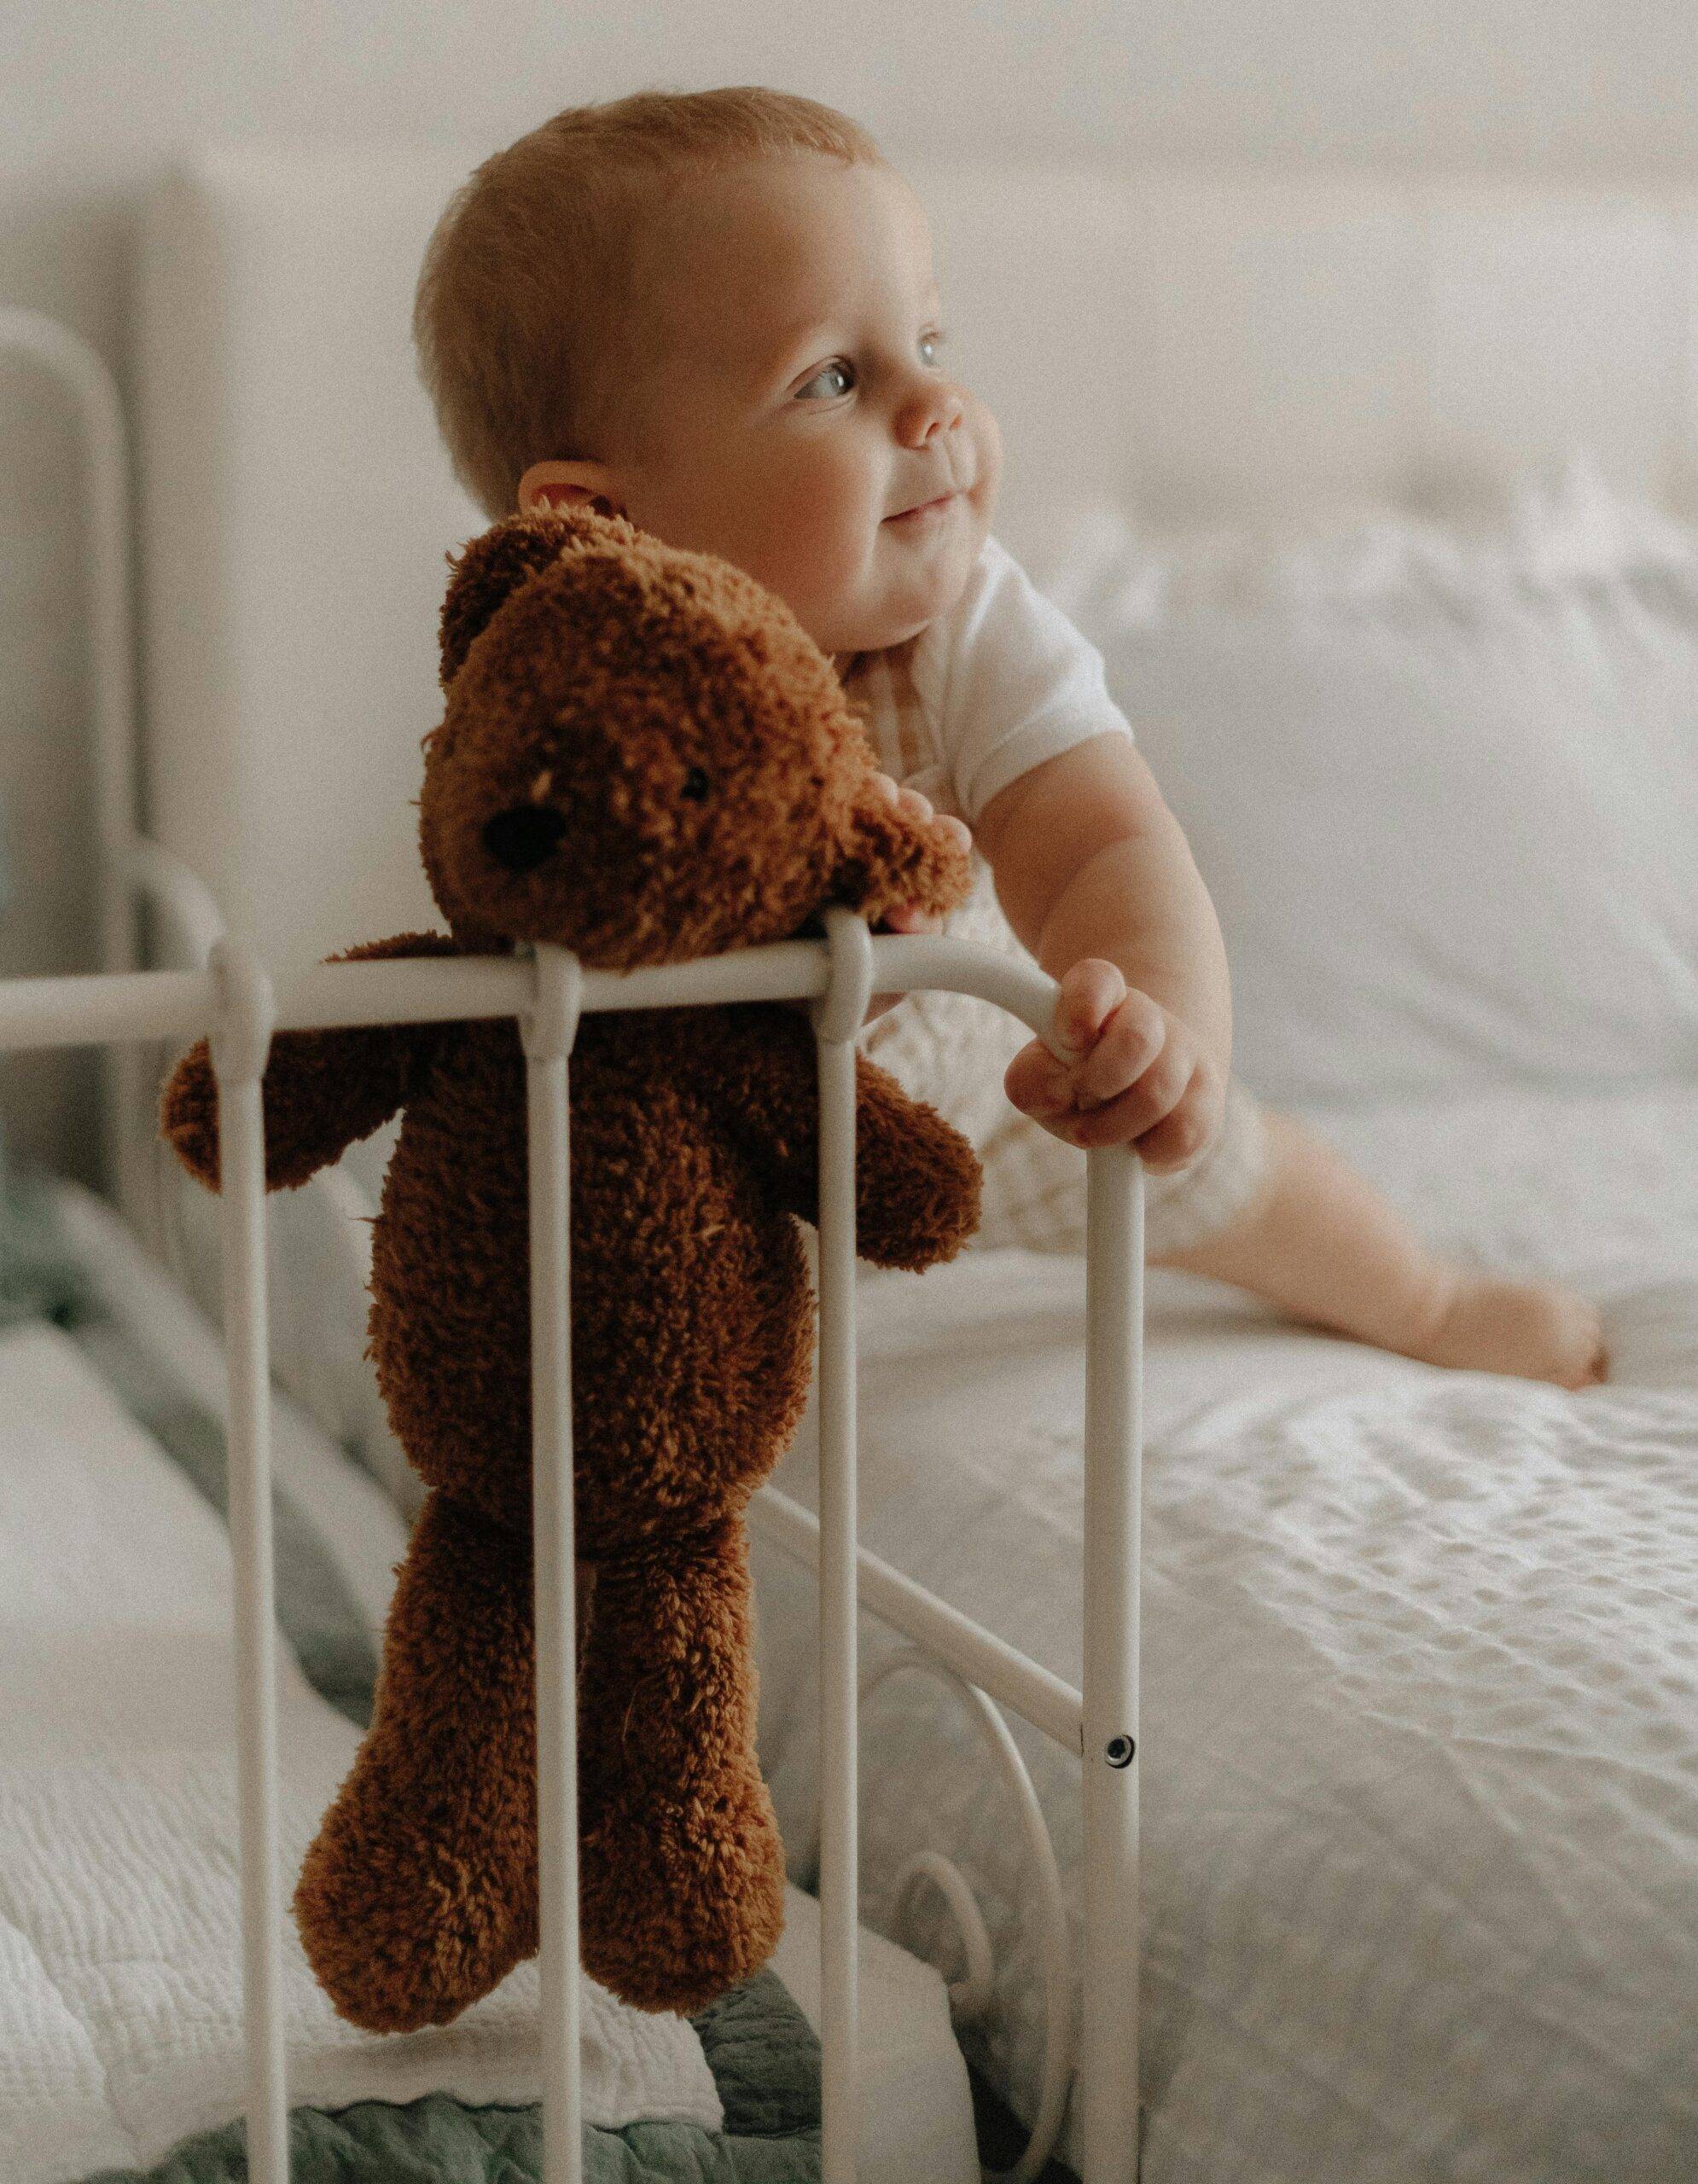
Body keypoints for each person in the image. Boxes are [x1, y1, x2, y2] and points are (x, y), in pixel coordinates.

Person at [413, 85, 1604, 1386]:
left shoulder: (963, 626)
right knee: (605, 1328)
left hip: (992, 1093)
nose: (936, 406)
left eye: (928, 340)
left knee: (1234, 1176)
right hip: (684, 1145)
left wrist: (1158, 1030)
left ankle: (1426, 1303)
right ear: (605, 520)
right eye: (835, 377)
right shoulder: (556, 695)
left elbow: (1096, 836)